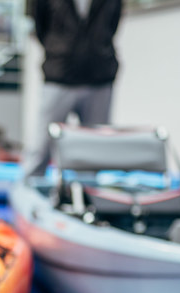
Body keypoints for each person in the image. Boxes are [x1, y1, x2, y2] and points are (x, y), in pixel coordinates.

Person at [20, 0, 122, 178]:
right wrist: (60, 50)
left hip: (99, 77)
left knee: (95, 150)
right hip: (59, 76)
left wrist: (98, 49)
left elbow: (113, 23)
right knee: (41, 146)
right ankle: (30, 191)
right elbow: (41, 27)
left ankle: (87, 196)